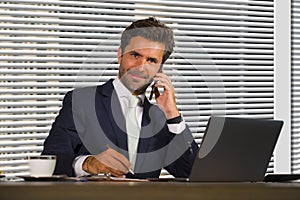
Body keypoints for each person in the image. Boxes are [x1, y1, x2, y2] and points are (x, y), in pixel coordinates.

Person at [42, 17, 199, 179]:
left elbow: (192, 172)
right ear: (120, 55)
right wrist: (88, 164)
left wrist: (173, 115)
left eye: (151, 60)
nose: (141, 67)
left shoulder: (159, 118)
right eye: (135, 55)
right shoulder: (81, 102)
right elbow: (51, 161)